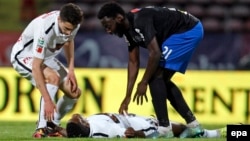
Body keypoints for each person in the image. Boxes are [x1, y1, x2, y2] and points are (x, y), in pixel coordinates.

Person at [97, 1, 204, 138]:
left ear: (119, 18)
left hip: (188, 30)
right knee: (161, 80)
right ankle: (194, 125)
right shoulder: (128, 30)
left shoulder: (141, 20)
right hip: (180, 32)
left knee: (155, 78)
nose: (108, 31)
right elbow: (133, 62)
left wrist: (144, 82)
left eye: (108, 26)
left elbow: (155, 53)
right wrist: (128, 96)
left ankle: (164, 129)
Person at [10, 3, 83, 138]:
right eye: (66, 28)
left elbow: (69, 41)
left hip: (46, 57)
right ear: (59, 20)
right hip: (25, 55)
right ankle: (42, 128)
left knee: (74, 92)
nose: (68, 32)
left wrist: (71, 70)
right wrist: (48, 100)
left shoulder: (74, 24)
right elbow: (36, 66)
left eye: (71, 29)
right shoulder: (44, 28)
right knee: (53, 77)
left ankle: (52, 125)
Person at [61, 113, 226, 138]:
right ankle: (223, 133)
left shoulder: (88, 124)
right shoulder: (104, 131)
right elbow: (126, 133)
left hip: (131, 117)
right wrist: (136, 133)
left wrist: (58, 130)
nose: (78, 115)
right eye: (78, 118)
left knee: (179, 128)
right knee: (179, 129)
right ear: (83, 124)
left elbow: (71, 133)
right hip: (142, 125)